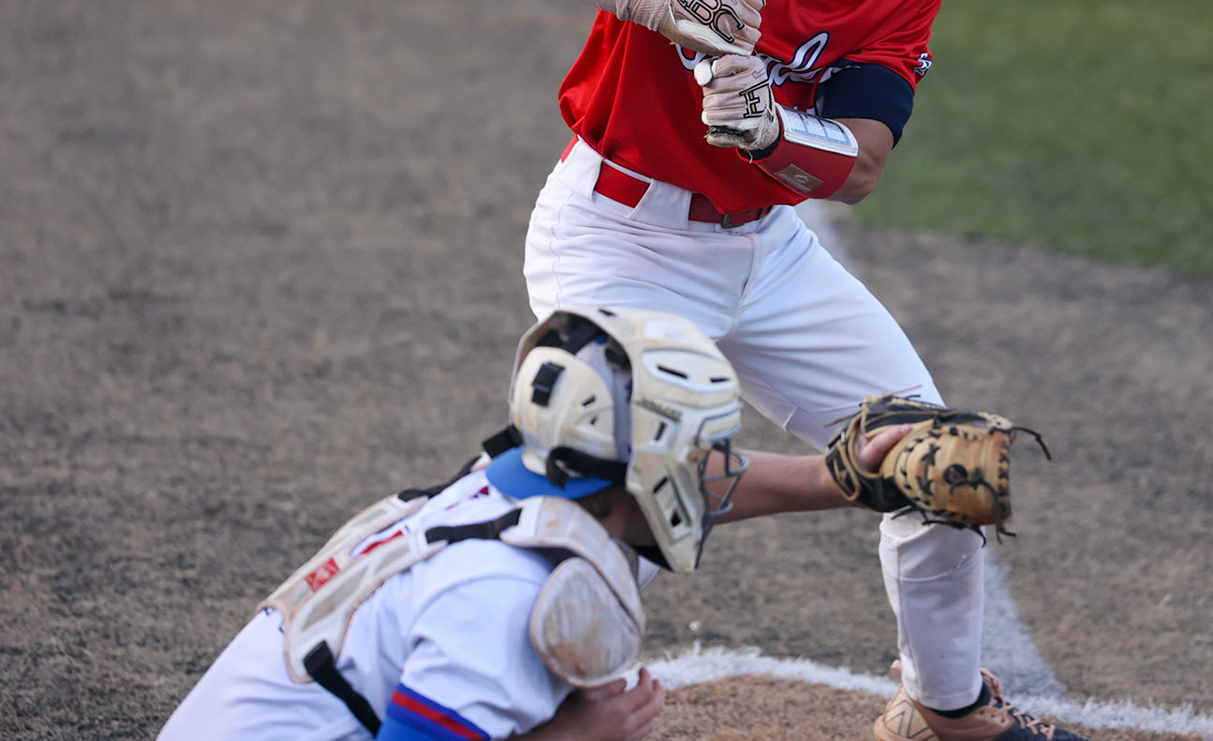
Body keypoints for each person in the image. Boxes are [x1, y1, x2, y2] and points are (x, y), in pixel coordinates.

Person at [456, 0, 1087, 741]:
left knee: (946, 465)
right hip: (620, 235)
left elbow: (862, 167)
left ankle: (947, 708)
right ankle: (538, 716)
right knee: (606, 497)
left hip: (770, 250)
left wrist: (771, 134)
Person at [157, 306, 911, 741]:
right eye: (700, 447)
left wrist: (837, 480)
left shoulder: (496, 494)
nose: (712, 464)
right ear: (645, 467)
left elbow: (657, 482)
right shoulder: (504, 593)